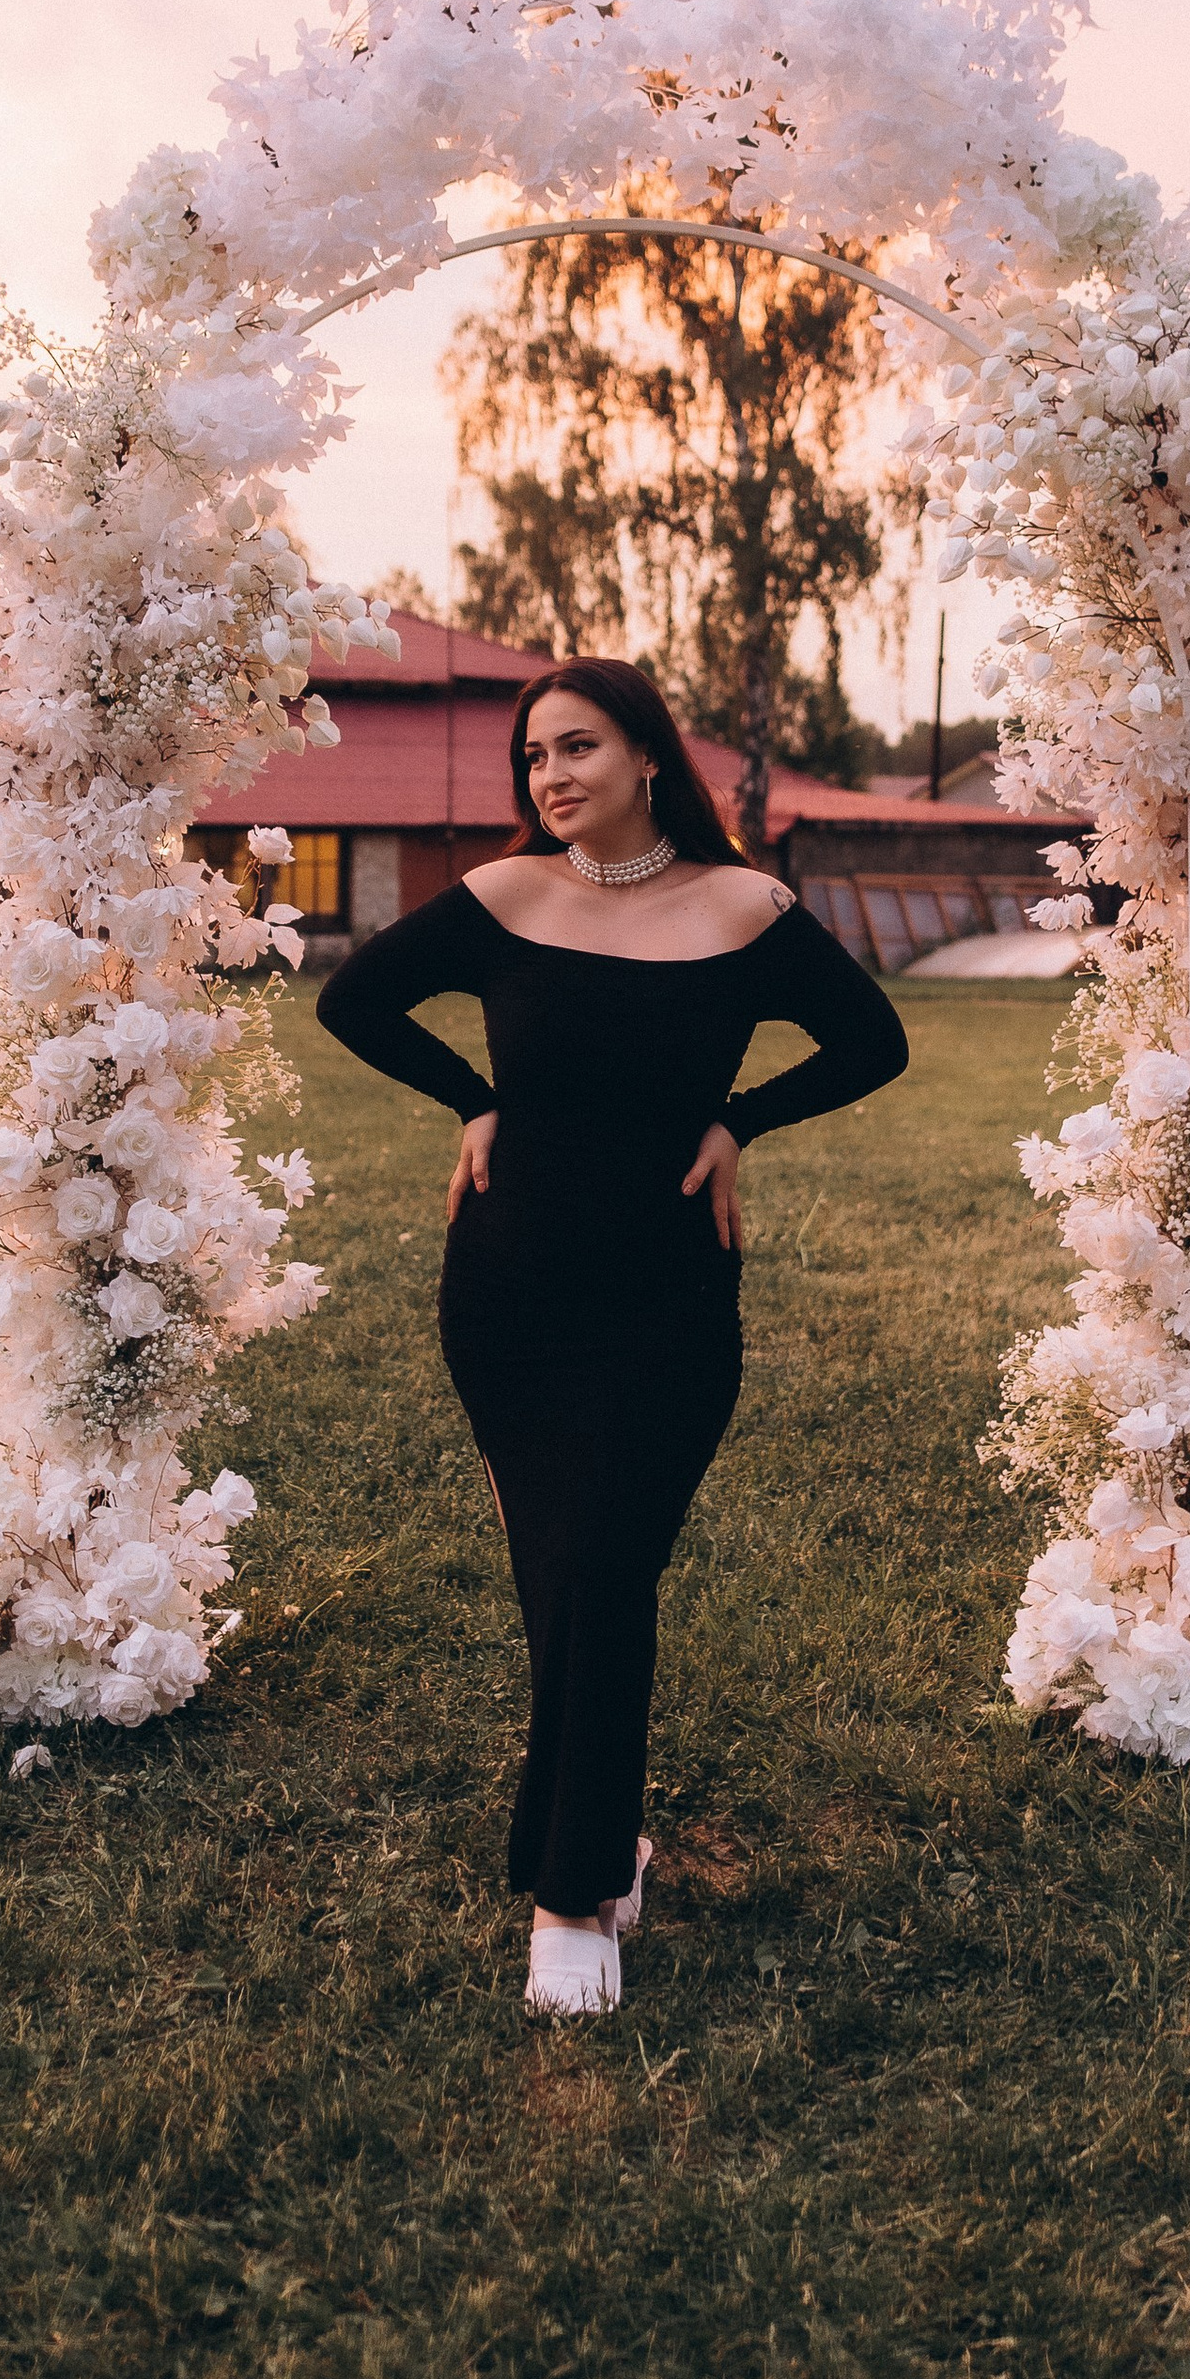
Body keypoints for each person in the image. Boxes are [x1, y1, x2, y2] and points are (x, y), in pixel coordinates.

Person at [315, 659, 908, 2017]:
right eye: (534, 757)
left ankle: (568, 1889)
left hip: (668, 1294)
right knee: (562, 1576)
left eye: (577, 747)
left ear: (649, 756)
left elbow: (871, 1044)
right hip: (511, 1290)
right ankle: (590, 1854)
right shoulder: (507, 897)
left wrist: (739, 1121)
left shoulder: (745, 908)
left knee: (603, 1566)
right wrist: (472, 1100)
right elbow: (353, 1003)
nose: (551, 777)